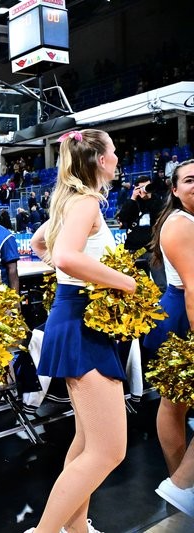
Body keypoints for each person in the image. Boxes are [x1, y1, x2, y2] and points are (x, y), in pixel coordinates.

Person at [27, 130, 137, 533]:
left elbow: (42, 244)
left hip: (75, 318)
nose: (117, 158)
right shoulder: (86, 201)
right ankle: (44, 532)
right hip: (79, 322)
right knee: (110, 451)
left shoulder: (70, 201)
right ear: (99, 160)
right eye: (114, 152)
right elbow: (66, 255)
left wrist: (65, 272)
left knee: (89, 443)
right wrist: (123, 282)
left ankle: (74, 528)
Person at [144, 159, 194, 517]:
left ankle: (181, 484)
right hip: (183, 316)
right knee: (173, 403)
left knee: (174, 403)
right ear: (174, 190)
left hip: (179, 312)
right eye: (190, 180)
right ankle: (181, 483)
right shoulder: (181, 223)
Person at [116, 174, 167, 292]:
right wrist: (133, 198)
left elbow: (160, 216)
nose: (145, 189)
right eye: (142, 187)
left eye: (148, 186)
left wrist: (149, 197)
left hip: (152, 249)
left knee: (161, 285)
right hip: (135, 250)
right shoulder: (133, 203)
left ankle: (163, 310)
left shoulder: (156, 201)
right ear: (136, 188)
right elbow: (123, 217)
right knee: (138, 286)